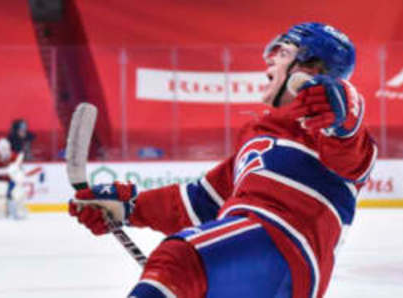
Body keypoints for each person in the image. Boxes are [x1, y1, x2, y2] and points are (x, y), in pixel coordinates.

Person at [69, 23, 377, 298]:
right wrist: (128, 207)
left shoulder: (333, 133)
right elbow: (201, 201)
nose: (269, 61)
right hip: (258, 263)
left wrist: (341, 107)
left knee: (180, 259)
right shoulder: (259, 137)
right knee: (184, 264)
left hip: (287, 250)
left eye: (282, 53)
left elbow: (349, 142)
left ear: (308, 69)